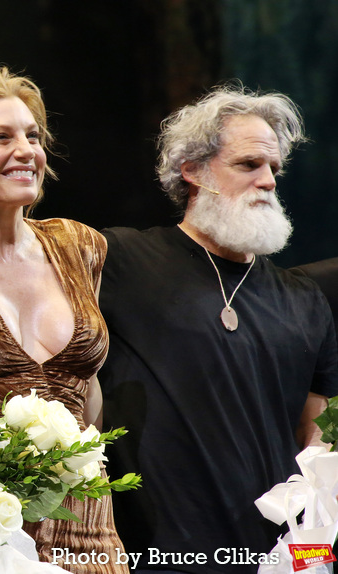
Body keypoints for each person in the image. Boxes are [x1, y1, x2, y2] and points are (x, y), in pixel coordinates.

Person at [98, 85, 338, 573]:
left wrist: (316, 558)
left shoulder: (306, 300)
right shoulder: (120, 260)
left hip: (277, 559)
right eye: (249, 165)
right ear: (193, 171)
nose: (268, 181)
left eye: (274, 168)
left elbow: (318, 450)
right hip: (158, 558)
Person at [0, 66, 128, 574]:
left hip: (90, 529)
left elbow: (88, 388)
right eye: (1, 137)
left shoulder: (80, 246)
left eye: (33, 136)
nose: (26, 151)